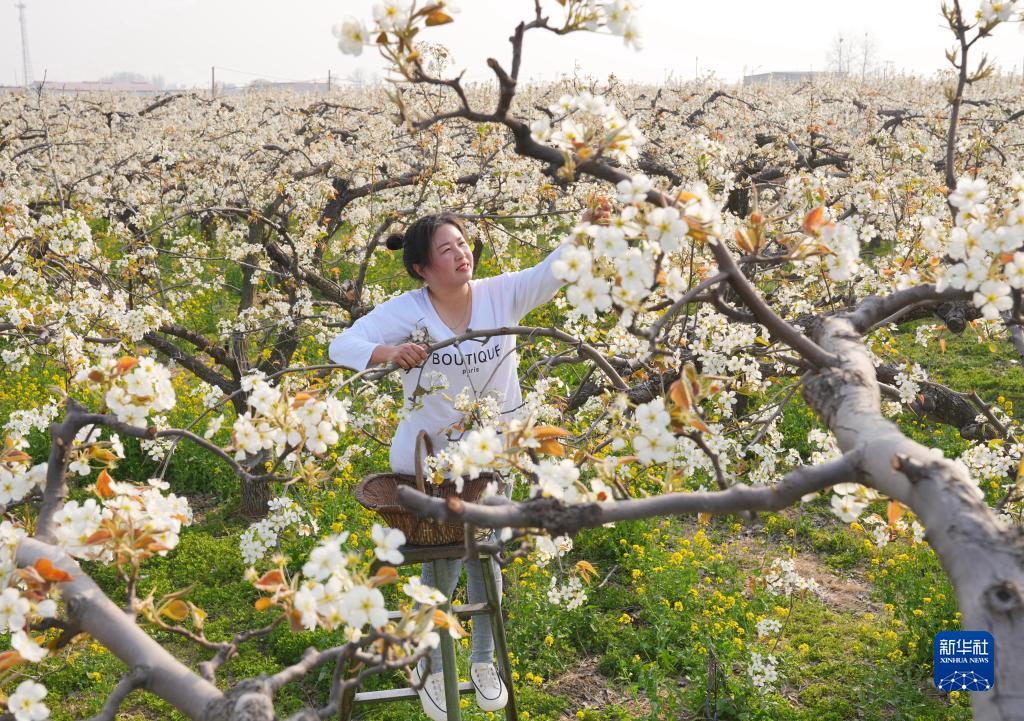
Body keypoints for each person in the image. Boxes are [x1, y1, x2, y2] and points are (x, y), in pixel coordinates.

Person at [328, 210, 592, 720]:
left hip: (492, 457)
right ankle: (429, 662)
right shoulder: (408, 310)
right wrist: (390, 352)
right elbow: (343, 345)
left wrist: (588, 226)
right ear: (422, 268)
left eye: (463, 243)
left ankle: (482, 661)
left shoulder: (501, 294)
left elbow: (555, 268)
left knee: (486, 549)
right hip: (428, 465)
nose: (461, 254)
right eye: (446, 250)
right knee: (443, 562)